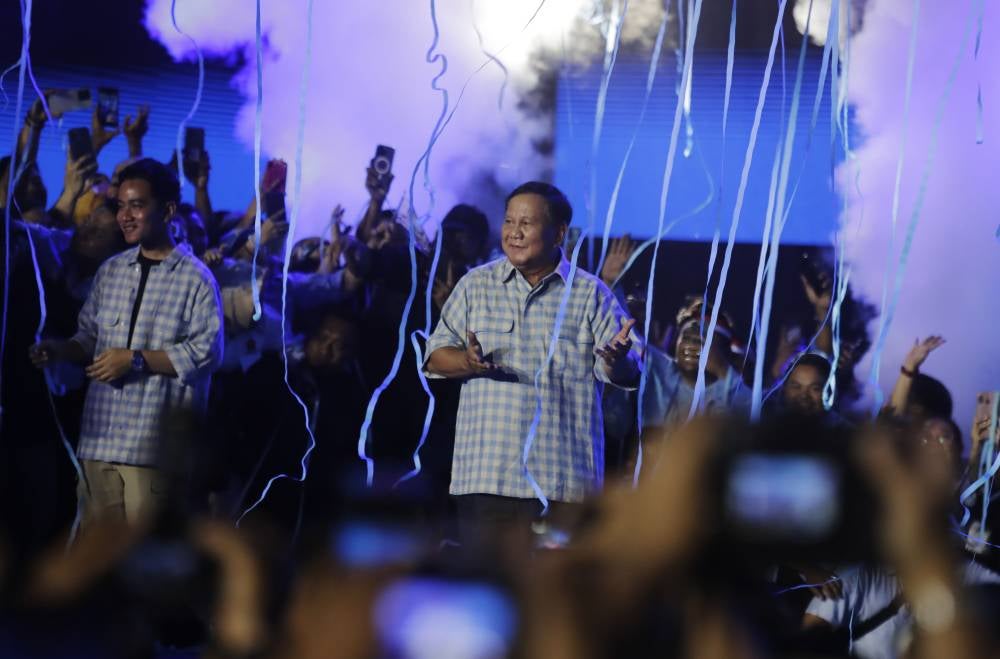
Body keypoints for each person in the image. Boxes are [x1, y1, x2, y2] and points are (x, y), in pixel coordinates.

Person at [424, 181, 641, 540]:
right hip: (486, 479)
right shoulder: (475, 285)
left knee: (557, 595)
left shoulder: (591, 294)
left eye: (526, 223)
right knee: (491, 593)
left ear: (558, 232)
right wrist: (467, 361)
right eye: (509, 222)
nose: (514, 233)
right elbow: (434, 357)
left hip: (565, 483)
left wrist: (616, 360)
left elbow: (629, 370)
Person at [29, 158, 223, 526]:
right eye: (121, 205)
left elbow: (206, 355)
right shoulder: (112, 270)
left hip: (152, 450)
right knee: (98, 563)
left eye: (137, 205)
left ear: (166, 211)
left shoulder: (197, 279)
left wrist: (134, 359)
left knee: (144, 569)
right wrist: (59, 350)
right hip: (99, 442)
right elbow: (88, 336)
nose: (125, 215)